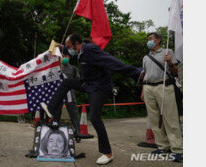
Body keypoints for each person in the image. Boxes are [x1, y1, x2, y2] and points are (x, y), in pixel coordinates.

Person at [41, 33, 143, 165]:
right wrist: (59, 46)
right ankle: (51, 108)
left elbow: (111, 61)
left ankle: (107, 153)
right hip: (88, 83)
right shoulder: (79, 50)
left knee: (95, 118)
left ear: (77, 43)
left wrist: (136, 72)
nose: (68, 50)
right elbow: (66, 50)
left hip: (99, 87)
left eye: (69, 46)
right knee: (66, 83)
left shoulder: (90, 49)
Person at [141, 32, 183, 162]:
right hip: (148, 87)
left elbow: (175, 71)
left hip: (164, 86)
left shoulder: (167, 51)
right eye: (148, 39)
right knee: (154, 119)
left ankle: (177, 149)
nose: (149, 41)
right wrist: (143, 90)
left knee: (170, 118)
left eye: (151, 39)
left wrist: (169, 61)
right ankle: (162, 146)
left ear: (158, 40)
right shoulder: (146, 57)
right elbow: (144, 74)